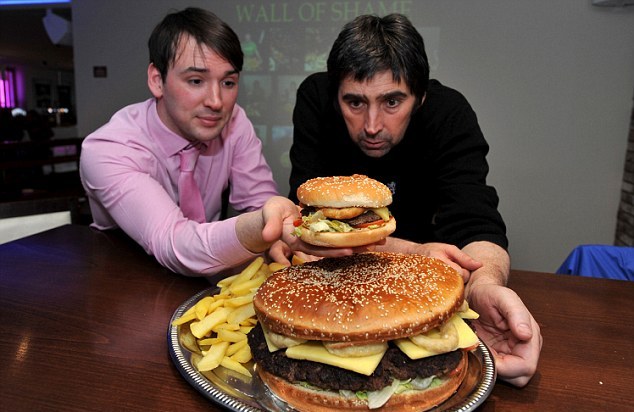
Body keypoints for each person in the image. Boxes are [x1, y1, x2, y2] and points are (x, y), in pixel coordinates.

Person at [288, 13, 542, 387]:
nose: (372, 125)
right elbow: (306, 226)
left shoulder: (449, 114)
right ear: (335, 95)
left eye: (392, 102)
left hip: (422, 299)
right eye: (355, 103)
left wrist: (484, 286)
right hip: (331, 292)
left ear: (420, 97)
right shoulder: (315, 99)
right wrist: (414, 252)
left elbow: (478, 224)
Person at [80, 7, 356, 278]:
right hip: (121, 281)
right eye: (196, 80)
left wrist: (275, 233)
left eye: (228, 83)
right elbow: (173, 243)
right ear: (157, 80)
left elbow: (259, 202)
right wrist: (262, 226)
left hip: (206, 276)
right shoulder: (107, 150)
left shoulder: (234, 122)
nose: (216, 102)